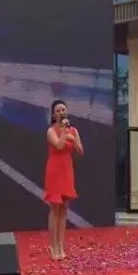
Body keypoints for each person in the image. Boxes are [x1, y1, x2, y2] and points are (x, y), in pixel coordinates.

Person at [44, 99, 83, 260]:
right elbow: (59, 146)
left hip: (67, 170)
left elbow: (80, 151)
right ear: (54, 115)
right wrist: (66, 135)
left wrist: (73, 139)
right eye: (58, 110)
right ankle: (53, 246)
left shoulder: (74, 130)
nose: (61, 112)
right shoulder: (50, 131)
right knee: (55, 208)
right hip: (54, 170)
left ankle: (61, 245)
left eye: (63, 110)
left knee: (64, 209)